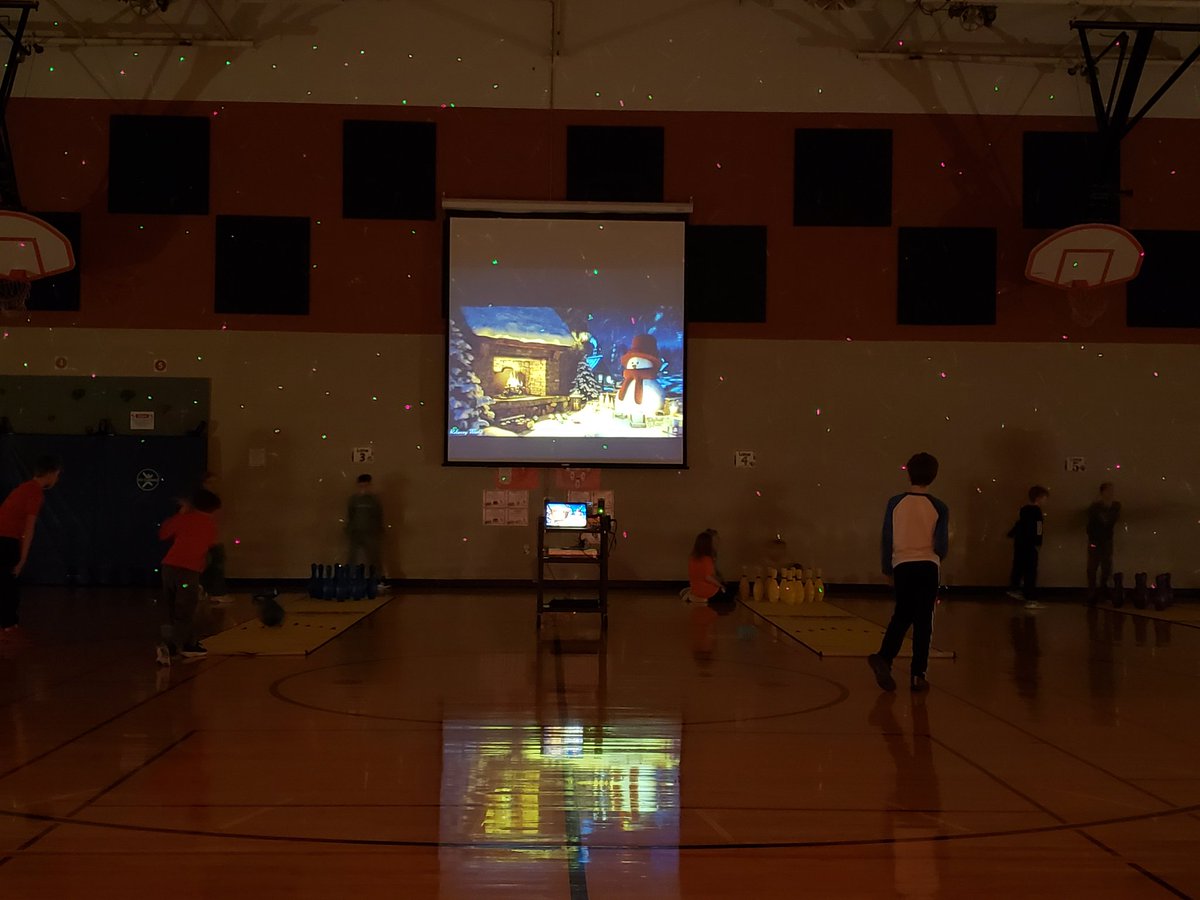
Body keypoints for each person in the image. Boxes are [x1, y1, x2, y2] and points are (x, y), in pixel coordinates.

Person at [868, 452, 949, 693]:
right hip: (928, 566)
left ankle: (884, 657)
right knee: (924, 621)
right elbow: (941, 545)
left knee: (902, 614)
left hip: (902, 564)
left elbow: (887, 538)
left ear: (909, 473)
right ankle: (918, 675)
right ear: (934, 476)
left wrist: (887, 569)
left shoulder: (895, 503)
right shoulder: (939, 506)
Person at [157, 488, 221, 665]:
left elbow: (163, 534)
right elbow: (208, 546)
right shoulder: (208, 524)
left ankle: (186, 643)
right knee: (185, 610)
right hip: (188, 572)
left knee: (173, 608)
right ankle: (173, 646)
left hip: (168, 568)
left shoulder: (183, 519)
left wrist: (181, 513)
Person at [0, 456, 62, 632]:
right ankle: (8, 623)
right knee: (9, 583)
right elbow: (29, 528)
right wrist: (22, 559)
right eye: (57, 474)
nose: (57, 479)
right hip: (6, 540)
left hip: (4, 538)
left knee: (5, 581)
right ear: (50, 474)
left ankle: (7, 622)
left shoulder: (23, 488)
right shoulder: (35, 492)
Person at [1007, 485, 1049, 610]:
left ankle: (1015, 588)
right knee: (1031, 571)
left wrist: (1011, 534)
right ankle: (1031, 598)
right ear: (1039, 498)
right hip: (1031, 545)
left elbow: (1019, 524)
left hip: (1020, 544)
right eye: (1044, 498)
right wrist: (1038, 543)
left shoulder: (1024, 510)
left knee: (1019, 566)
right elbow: (1039, 528)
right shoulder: (1037, 512)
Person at [1086, 482, 1121, 605]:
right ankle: (1095, 592)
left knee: (1105, 567)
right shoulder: (1101, 507)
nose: (1111, 493)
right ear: (1103, 492)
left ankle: (1100, 591)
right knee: (1093, 567)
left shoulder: (1108, 507)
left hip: (1103, 540)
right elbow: (1106, 520)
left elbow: (1107, 520)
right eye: (1108, 490)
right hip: (1097, 540)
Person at [346, 474, 385, 582]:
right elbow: (350, 515)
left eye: (366, 486)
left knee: (374, 557)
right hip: (356, 532)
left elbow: (378, 515)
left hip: (370, 532)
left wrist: (378, 529)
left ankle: (378, 580)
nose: (364, 488)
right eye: (362, 486)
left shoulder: (374, 500)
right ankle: (350, 579)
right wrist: (350, 529)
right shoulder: (354, 499)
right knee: (352, 557)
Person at [687, 529, 733, 604]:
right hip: (707, 591)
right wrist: (721, 585)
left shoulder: (692, 558)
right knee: (730, 593)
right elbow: (708, 577)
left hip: (695, 589)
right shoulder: (707, 559)